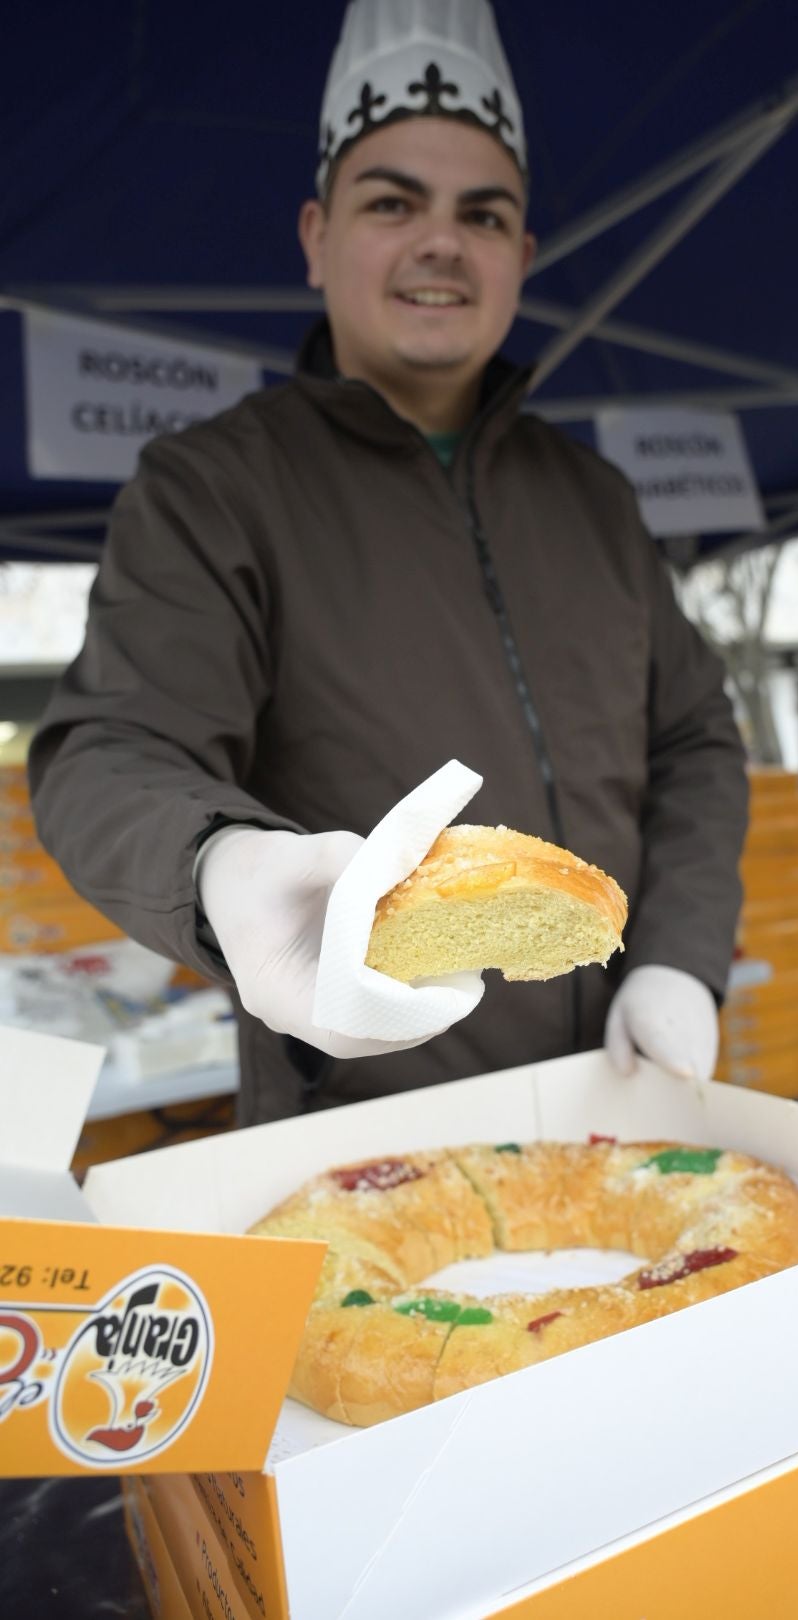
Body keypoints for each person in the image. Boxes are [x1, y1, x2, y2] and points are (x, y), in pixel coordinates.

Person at [28, 0, 749, 1126]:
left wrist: (682, 955)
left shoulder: (596, 499)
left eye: (483, 212)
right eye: (392, 201)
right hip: (362, 1130)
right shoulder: (216, 486)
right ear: (317, 235)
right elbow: (109, 748)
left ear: (523, 253)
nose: (440, 242)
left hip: (627, 1098)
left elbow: (696, 736)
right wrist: (219, 866)